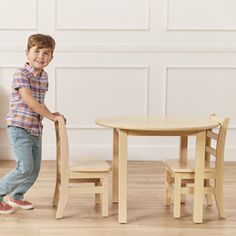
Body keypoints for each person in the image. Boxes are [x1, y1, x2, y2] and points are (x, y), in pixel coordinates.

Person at [0, 34, 65, 214]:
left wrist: (51, 114)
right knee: (24, 168)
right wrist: (51, 118)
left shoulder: (44, 77)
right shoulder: (21, 73)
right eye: (36, 51)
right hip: (19, 126)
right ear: (27, 53)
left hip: (35, 129)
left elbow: (39, 102)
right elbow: (29, 100)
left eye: (46, 53)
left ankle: (16, 196)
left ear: (51, 57)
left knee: (34, 170)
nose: (40, 57)